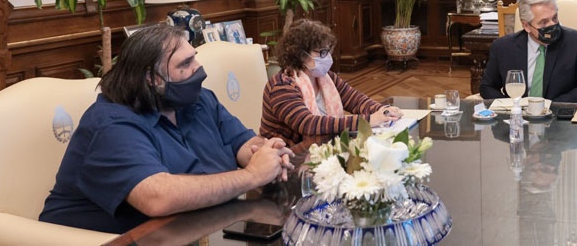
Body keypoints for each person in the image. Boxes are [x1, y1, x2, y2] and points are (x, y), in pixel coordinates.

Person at [39, 24, 294, 234]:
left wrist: (267, 153)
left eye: (195, 57)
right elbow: (158, 198)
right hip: (112, 239)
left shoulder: (199, 100)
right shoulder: (111, 124)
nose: (198, 68)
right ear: (152, 78)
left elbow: (244, 144)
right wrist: (252, 176)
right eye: (186, 64)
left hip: (194, 229)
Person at [260, 19, 402, 148]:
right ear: (300, 54)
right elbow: (308, 124)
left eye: (328, 51)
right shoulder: (281, 86)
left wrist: (384, 111)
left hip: (323, 148)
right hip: (288, 157)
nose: (327, 57)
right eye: (322, 52)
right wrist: (366, 121)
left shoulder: (326, 78)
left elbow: (355, 100)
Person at [480, 0, 577, 103]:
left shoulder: (575, 41)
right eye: (544, 22)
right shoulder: (503, 47)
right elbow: (487, 86)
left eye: (554, 18)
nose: (552, 25)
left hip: (558, 113)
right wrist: (511, 106)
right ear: (526, 26)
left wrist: (551, 106)